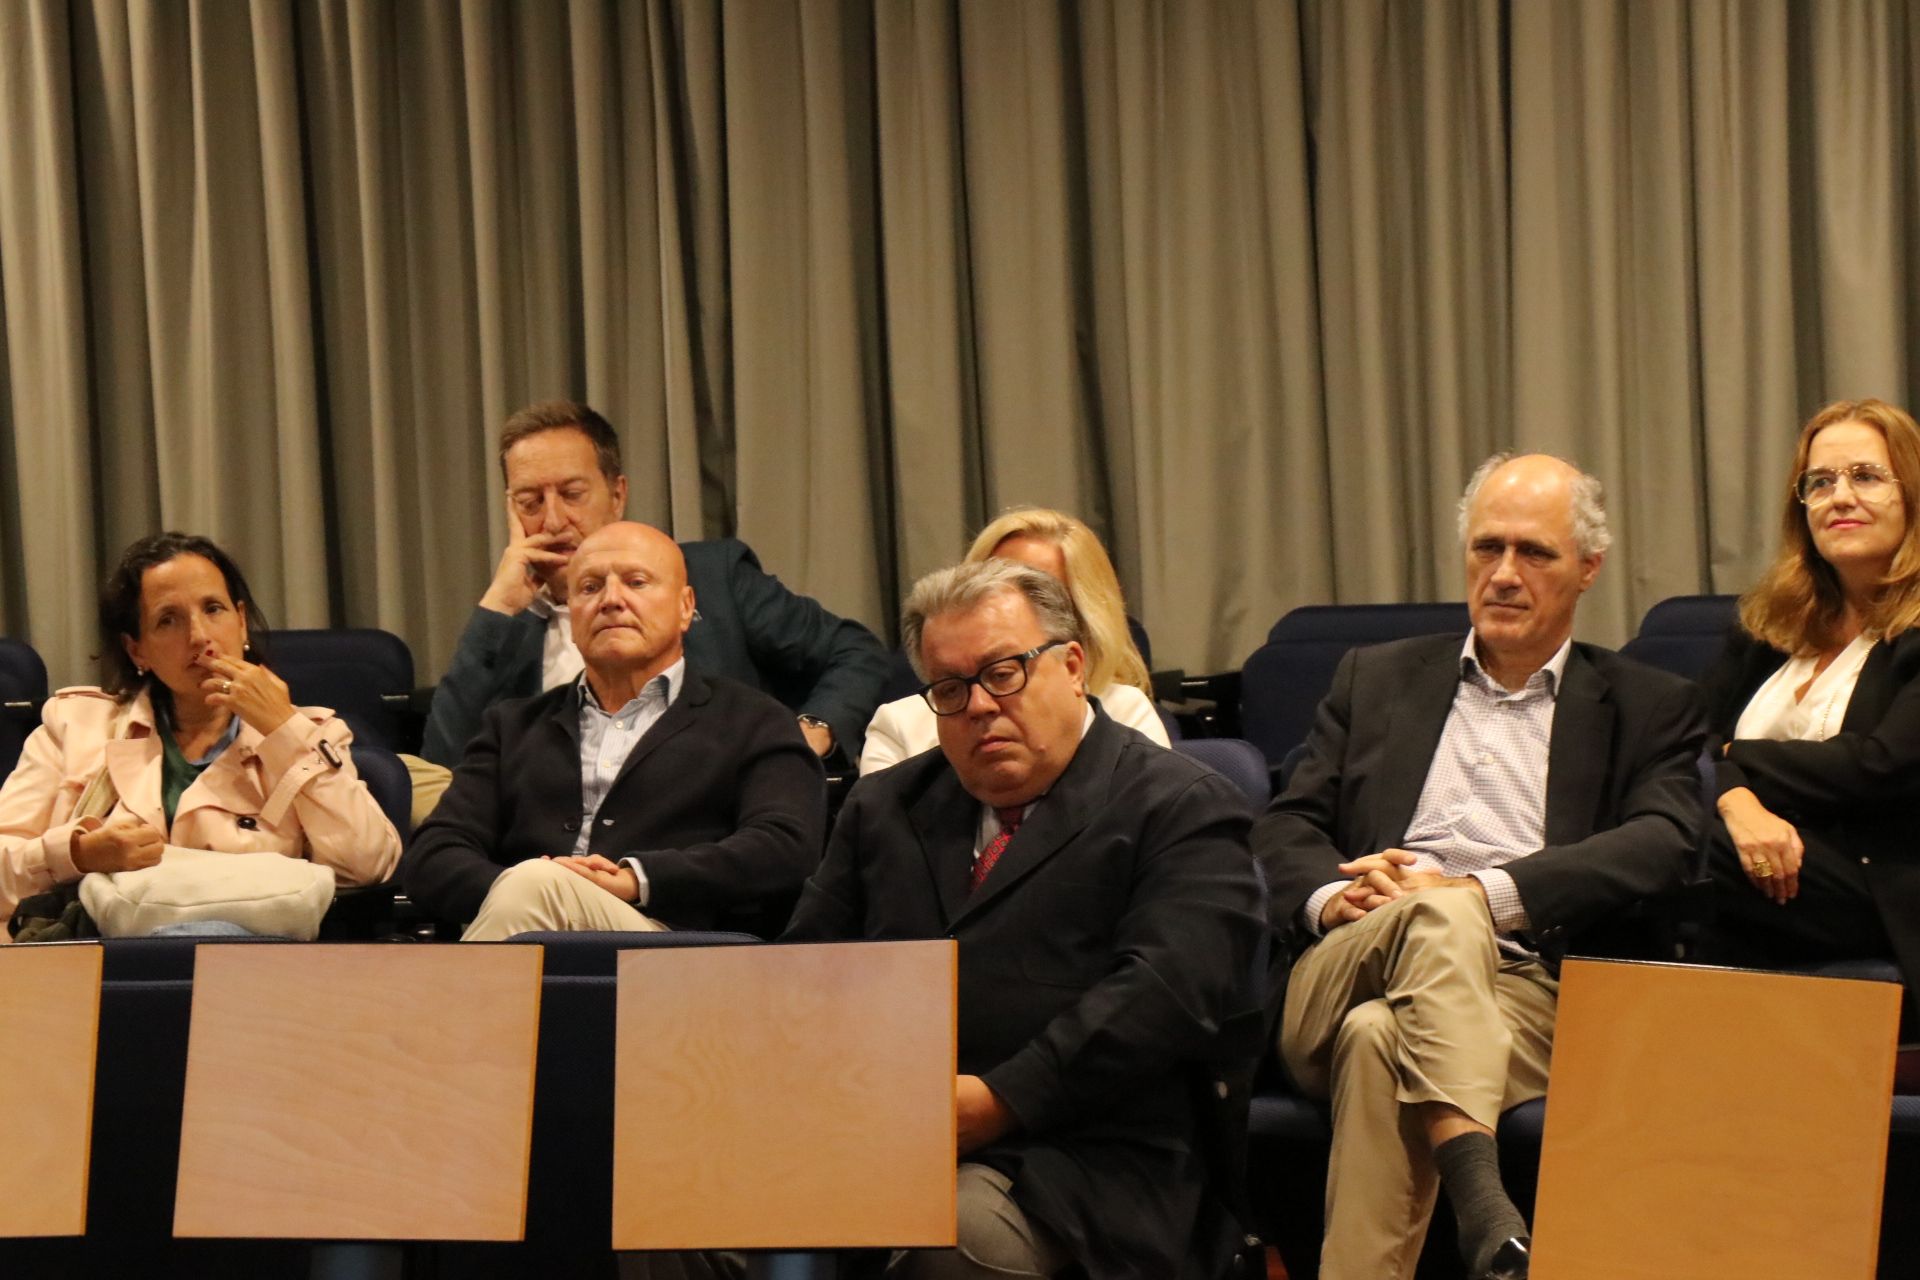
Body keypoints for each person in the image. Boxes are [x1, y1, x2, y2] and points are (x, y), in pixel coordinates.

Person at [1253, 454, 1706, 1280]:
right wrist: (1336, 899)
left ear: (1588, 569)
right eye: (1485, 547)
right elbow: (1287, 824)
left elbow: (1666, 839)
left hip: (1526, 995)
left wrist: (1484, 895)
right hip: (1348, 962)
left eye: (1533, 553)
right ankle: (1482, 1199)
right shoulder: (1376, 677)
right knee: (1419, 935)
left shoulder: (1646, 703)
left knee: (1381, 1036)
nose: (1502, 574)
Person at [785, 559, 1265, 1280]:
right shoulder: (882, 808)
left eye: (1003, 672)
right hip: (881, 1133)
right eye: (949, 689)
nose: (979, 705)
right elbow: (800, 980)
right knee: (659, 1216)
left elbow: (1163, 996)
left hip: (1087, 1159)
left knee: (949, 1241)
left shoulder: (1178, 803)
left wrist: (997, 1102)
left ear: (1072, 666)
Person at [402, 521, 827, 942]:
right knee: (534, 885)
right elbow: (434, 856)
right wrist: (525, 886)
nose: (611, 600)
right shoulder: (511, 727)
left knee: (534, 887)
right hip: (526, 924)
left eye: (636, 582)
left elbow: (785, 847)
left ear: (685, 607)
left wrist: (635, 878)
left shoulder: (753, 720)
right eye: (589, 588)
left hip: (679, 952)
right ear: (571, 617)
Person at [420, 400, 890, 769]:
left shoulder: (712, 576)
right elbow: (444, 762)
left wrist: (810, 733)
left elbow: (855, 653)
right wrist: (496, 608)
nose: (553, 519)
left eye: (571, 494)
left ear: (618, 494)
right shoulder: (508, 629)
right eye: (529, 501)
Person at [0, 532, 401, 928]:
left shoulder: (312, 733)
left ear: (241, 623)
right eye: (168, 620)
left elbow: (368, 865)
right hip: (106, 969)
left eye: (213, 609)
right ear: (136, 649)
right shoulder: (75, 726)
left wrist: (285, 730)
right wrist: (78, 855)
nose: (200, 637)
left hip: (258, 969)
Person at [1699, 398, 1920, 1011]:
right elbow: (1683, 735)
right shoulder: (1770, 624)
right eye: (1819, 482)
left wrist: (1736, 756)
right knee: (1649, 839)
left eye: (1866, 477)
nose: (1838, 497)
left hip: (1878, 880)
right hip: (1755, 860)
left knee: (1670, 849)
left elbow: (1878, 766)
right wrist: (1736, 801)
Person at [859, 507, 1169, 774]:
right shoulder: (899, 724)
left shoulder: (1125, 713)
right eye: (995, 584)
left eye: (1041, 595)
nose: (981, 706)